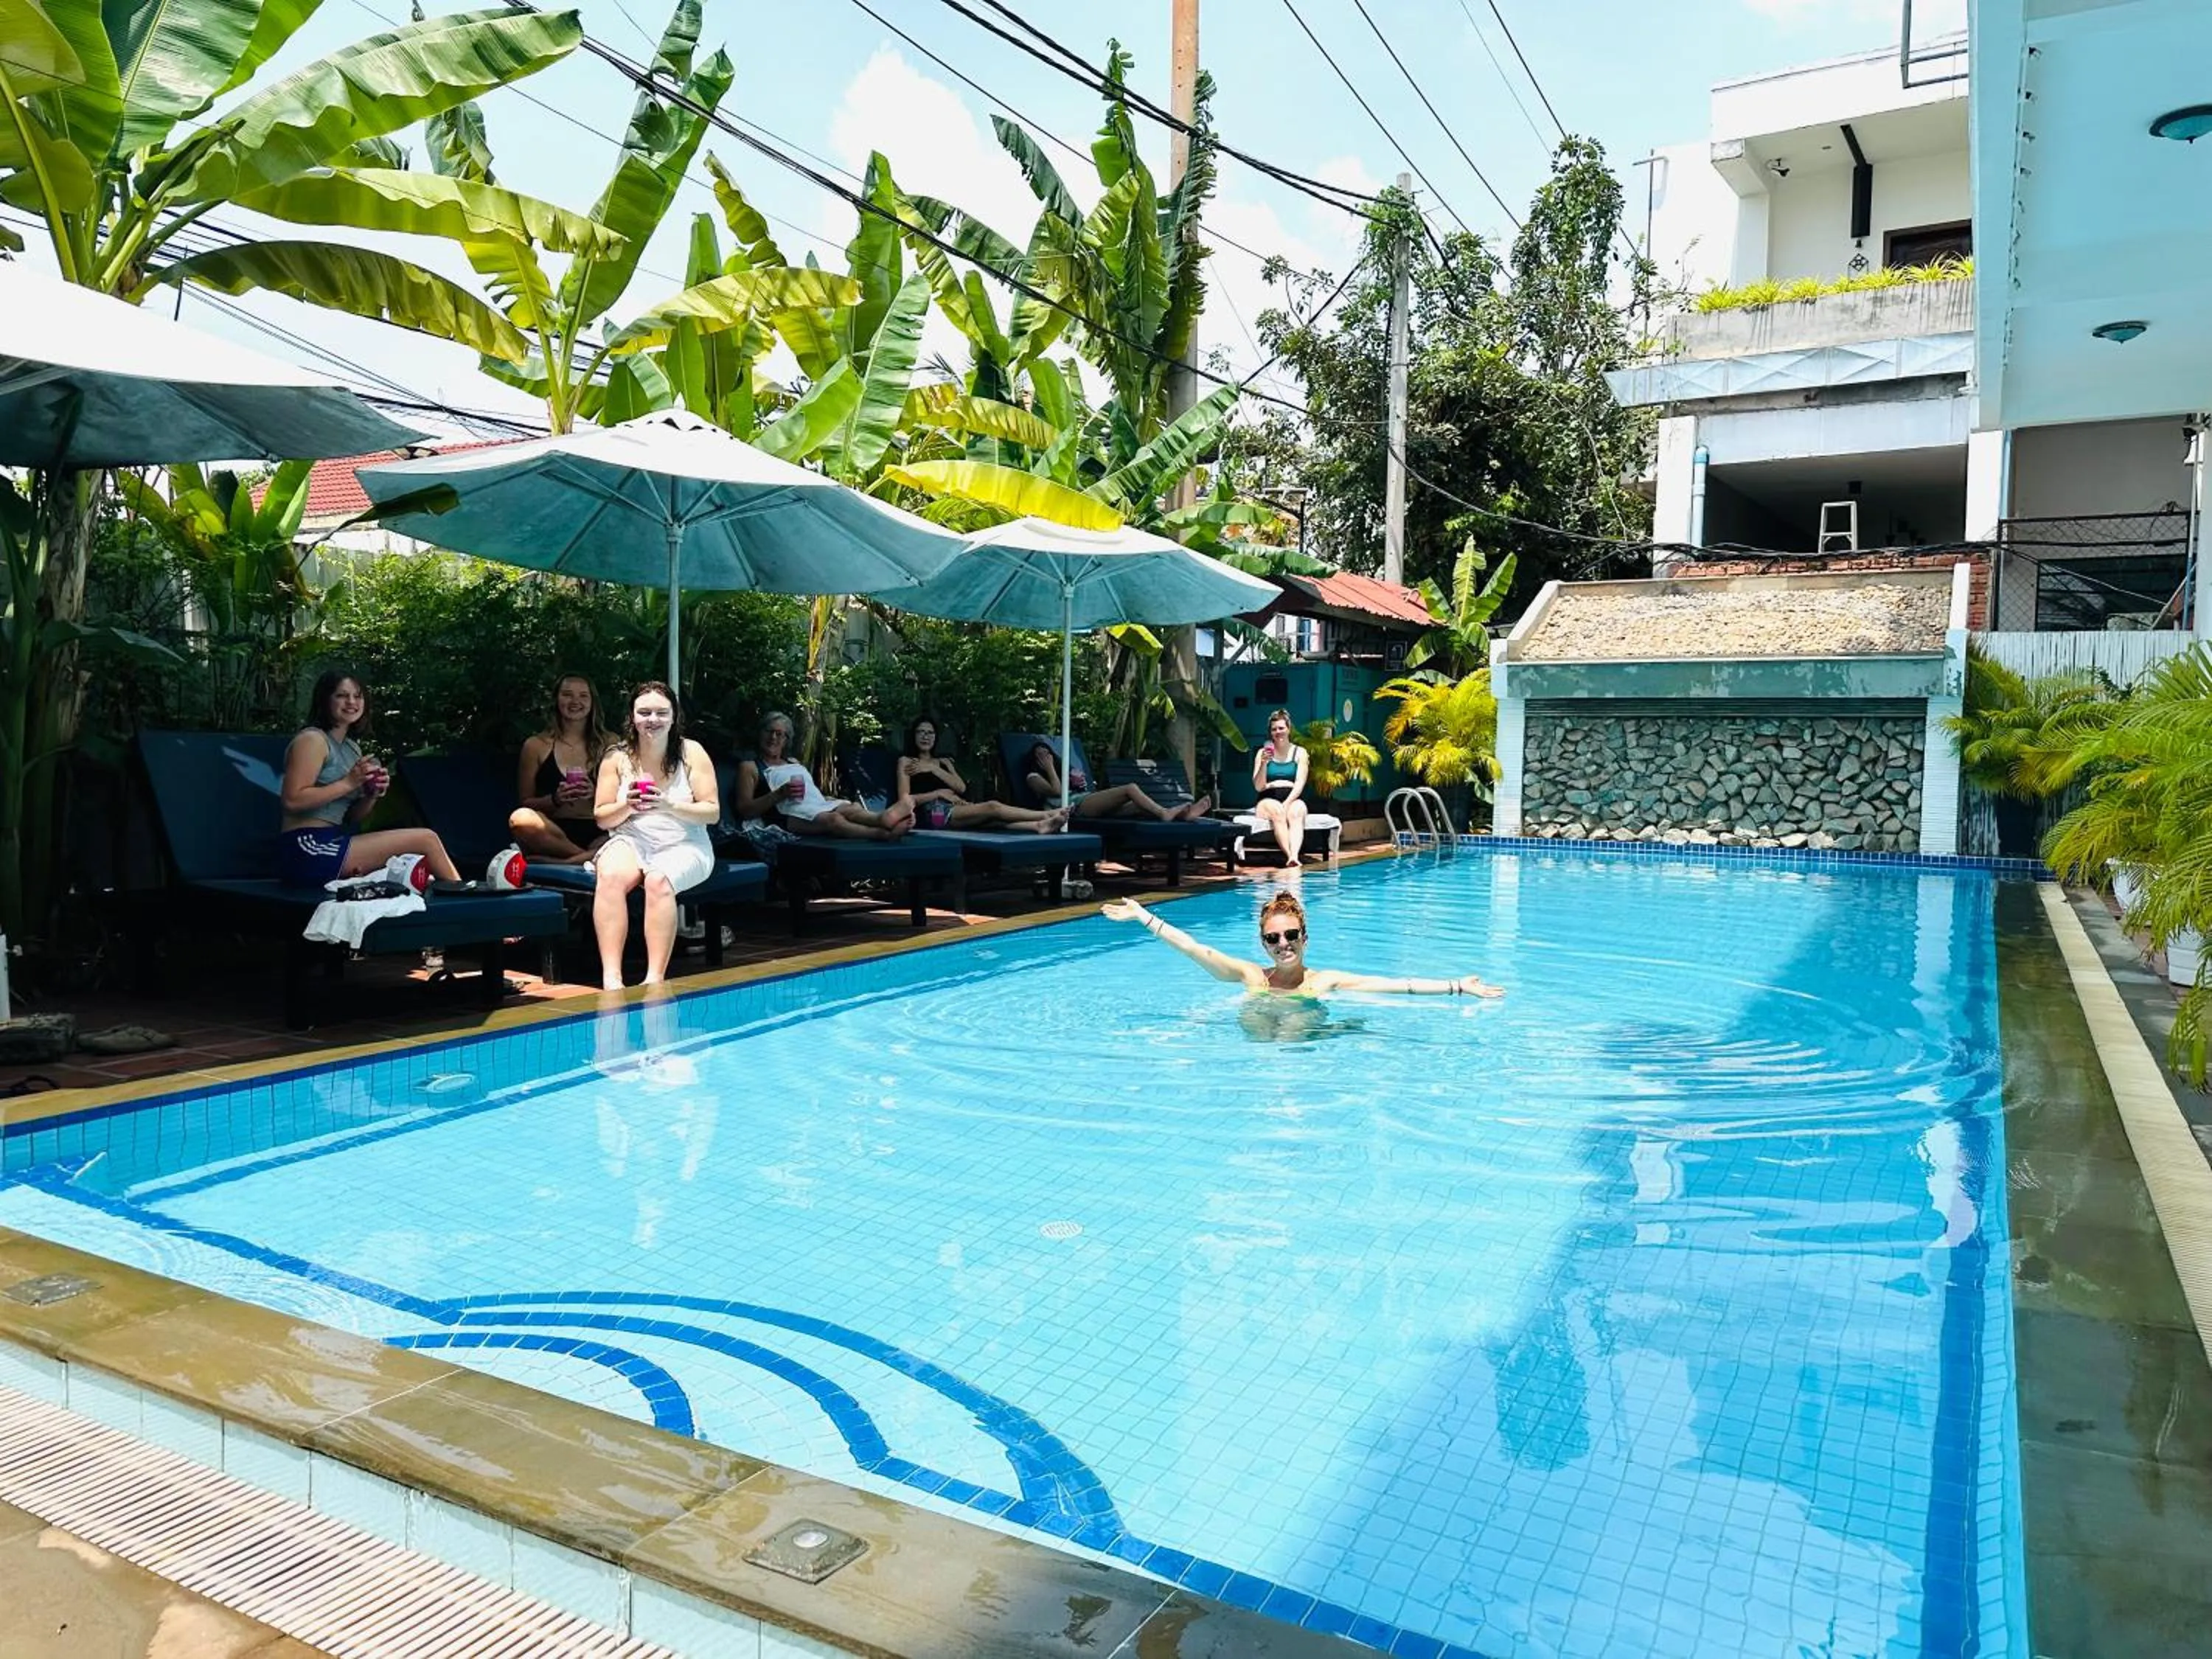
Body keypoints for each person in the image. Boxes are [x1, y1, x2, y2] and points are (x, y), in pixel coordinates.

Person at [1103, 889, 1504, 998]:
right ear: (1264, 945)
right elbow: (1195, 949)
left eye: (1291, 935)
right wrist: (1144, 916)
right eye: (1273, 938)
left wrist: (1456, 986)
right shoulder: (1251, 977)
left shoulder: (1322, 983)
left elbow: (1397, 984)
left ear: (1305, 938)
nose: (1283, 944)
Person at [279, 671, 462, 888]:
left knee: (418, 869)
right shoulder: (312, 740)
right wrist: (348, 783)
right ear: (324, 700)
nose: (351, 702)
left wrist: (371, 794)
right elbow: (292, 800)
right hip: (306, 846)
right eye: (342, 696)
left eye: (358, 696)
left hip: (335, 841)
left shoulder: (352, 749)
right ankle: (468, 898)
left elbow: (353, 818)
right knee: (426, 840)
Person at [591, 681, 720, 990]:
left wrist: (669, 804)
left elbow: (712, 812)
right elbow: (601, 817)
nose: (653, 719)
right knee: (609, 875)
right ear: (632, 717)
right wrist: (628, 804)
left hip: (685, 843)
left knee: (658, 880)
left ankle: (654, 981)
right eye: (644, 712)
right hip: (633, 838)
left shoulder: (692, 752)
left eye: (662, 713)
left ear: (674, 717)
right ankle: (612, 979)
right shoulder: (616, 757)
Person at [736, 712, 915, 840]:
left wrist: (828, 800)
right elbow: (744, 809)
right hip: (784, 817)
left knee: (850, 808)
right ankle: (881, 834)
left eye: (780, 734)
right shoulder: (750, 767)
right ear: (761, 734)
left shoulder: (793, 763)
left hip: (814, 806)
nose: (774, 738)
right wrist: (779, 794)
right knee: (833, 819)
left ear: (786, 740)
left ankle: (882, 818)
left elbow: (811, 795)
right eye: (769, 731)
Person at [897, 718, 1069, 832]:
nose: (925, 736)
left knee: (993, 820)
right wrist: (939, 794)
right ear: (914, 735)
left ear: (935, 737)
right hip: (930, 814)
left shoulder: (944, 763)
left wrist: (935, 769)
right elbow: (904, 801)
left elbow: (961, 788)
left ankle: (1038, 826)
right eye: (921, 732)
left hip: (952, 809)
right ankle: (1045, 815)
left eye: (930, 733)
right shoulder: (906, 762)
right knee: (993, 807)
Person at [509, 673, 612, 863]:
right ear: (556, 700)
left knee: (632, 833)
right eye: (567, 695)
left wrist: (597, 794)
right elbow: (526, 803)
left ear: (592, 703)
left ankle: (566, 863)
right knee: (520, 818)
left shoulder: (611, 744)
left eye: (583, 696)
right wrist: (555, 800)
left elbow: (624, 800)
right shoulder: (536, 745)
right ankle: (584, 859)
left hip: (599, 830)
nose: (575, 701)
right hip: (553, 832)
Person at [1023, 739, 1211, 822]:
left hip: (1085, 800)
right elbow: (1056, 791)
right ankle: (1164, 814)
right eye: (1040, 755)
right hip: (1076, 809)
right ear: (1034, 759)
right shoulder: (1033, 777)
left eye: (1047, 754)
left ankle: (1183, 816)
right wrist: (1049, 768)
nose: (1045, 757)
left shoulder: (1057, 772)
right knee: (1130, 788)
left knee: (1140, 806)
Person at [1249, 707, 1311, 866]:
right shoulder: (1262, 753)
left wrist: (1288, 803)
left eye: (1282, 728)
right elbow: (1258, 786)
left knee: (1297, 812)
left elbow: (1299, 783)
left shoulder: (1300, 753)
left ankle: (1295, 855)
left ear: (1289, 729)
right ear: (1271, 733)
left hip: (1292, 796)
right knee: (1277, 811)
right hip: (1268, 797)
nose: (1278, 732)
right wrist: (1263, 764)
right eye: (1274, 729)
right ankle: (1289, 855)